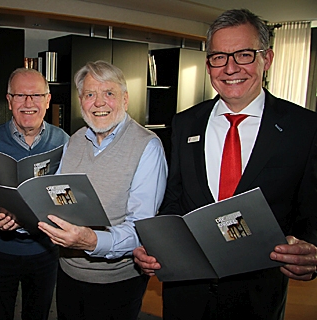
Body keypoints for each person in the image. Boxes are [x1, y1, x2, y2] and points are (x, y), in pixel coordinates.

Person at [133, 8, 317, 320]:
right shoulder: (185, 123)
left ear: (266, 59)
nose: (230, 68)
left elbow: (311, 211)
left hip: (257, 295)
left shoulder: (305, 128)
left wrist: (311, 251)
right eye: (219, 57)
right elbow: (175, 199)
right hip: (186, 291)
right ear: (209, 65)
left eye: (244, 54)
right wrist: (155, 245)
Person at [35, 60, 168, 320]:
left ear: (125, 99)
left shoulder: (147, 146)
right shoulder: (73, 140)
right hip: (68, 272)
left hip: (116, 282)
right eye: (90, 94)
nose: (98, 103)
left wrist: (92, 241)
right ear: (80, 100)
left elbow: (141, 228)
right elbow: (59, 201)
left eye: (109, 93)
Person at [0, 67, 69, 320]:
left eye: (37, 95)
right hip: (0, 253)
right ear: (9, 101)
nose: (29, 103)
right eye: (20, 96)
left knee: (38, 313)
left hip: (45, 251)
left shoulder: (65, 142)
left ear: (47, 101)